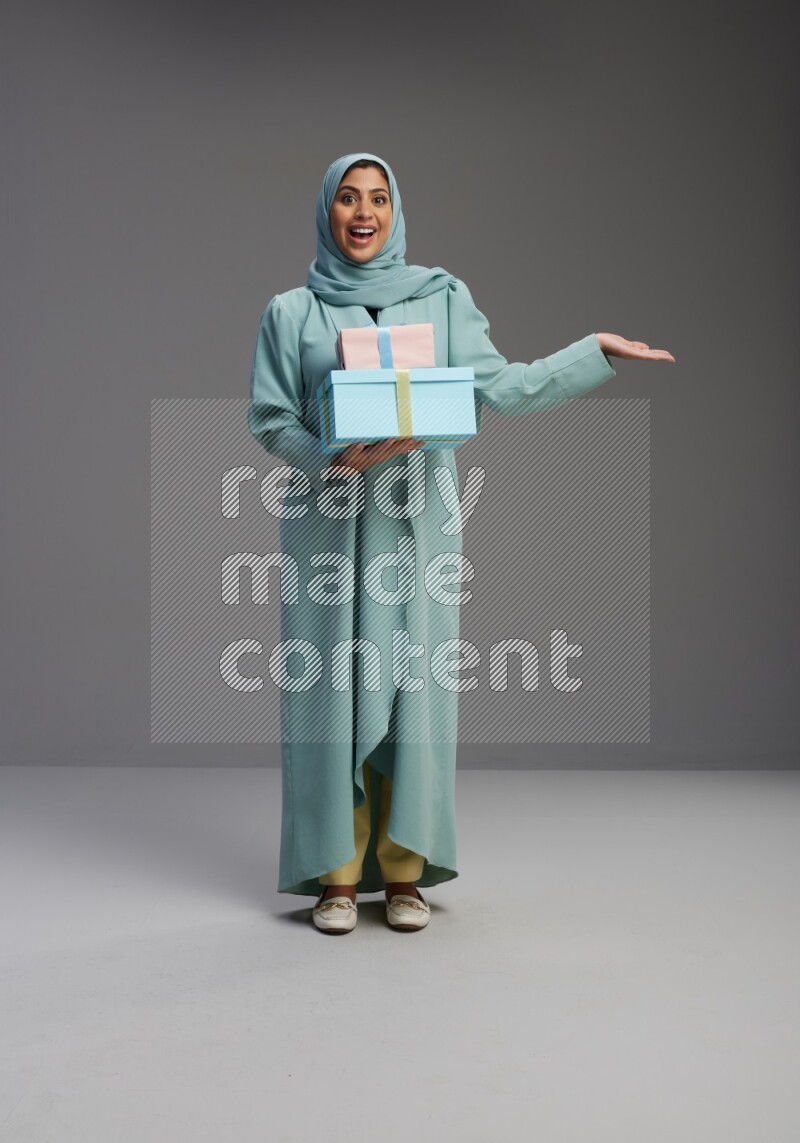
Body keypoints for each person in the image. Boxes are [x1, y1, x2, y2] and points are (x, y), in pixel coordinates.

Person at [247, 151, 674, 935]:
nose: (363, 211)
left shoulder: (441, 300)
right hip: (329, 536)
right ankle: (336, 878)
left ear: (396, 209)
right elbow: (270, 420)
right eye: (347, 198)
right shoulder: (290, 313)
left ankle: (405, 870)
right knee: (329, 697)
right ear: (326, 211)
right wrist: (330, 456)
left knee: (414, 696)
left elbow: (503, 387)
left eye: (377, 197)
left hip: (415, 530)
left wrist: (596, 352)